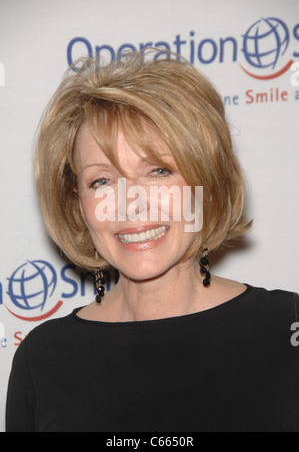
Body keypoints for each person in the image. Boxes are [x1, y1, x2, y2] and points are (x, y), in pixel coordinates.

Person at [6, 49, 299, 432]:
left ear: (206, 185)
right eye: (102, 181)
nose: (131, 205)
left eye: (158, 171)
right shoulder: (42, 360)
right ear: (78, 204)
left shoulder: (286, 331)